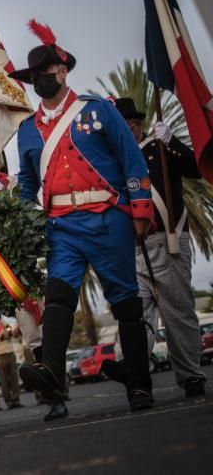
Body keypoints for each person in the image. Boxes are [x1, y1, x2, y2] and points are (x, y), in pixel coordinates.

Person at [11, 21, 155, 419]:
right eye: (36, 74)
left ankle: (140, 383)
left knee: (126, 304)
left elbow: (131, 159)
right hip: (62, 227)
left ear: (63, 71)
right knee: (58, 296)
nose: (43, 77)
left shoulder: (97, 111)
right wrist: (21, 220)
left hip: (109, 218)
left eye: (48, 71)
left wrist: (140, 209)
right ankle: (52, 372)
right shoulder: (27, 131)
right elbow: (26, 181)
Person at [104, 97, 206, 397]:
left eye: (126, 125)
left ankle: (190, 374)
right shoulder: (113, 159)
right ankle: (134, 366)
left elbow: (194, 168)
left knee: (177, 309)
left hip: (165, 239)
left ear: (135, 126)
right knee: (137, 313)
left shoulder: (158, 148)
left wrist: (171, 140)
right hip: (131, 247)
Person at [0, 321, 23, 409]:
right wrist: (0, 336)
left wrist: (11, 333)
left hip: (10, 350)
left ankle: (16, 400)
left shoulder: (4, 320)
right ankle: (8, 402)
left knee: (14, 378)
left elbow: (14, 332)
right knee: (3, 380)